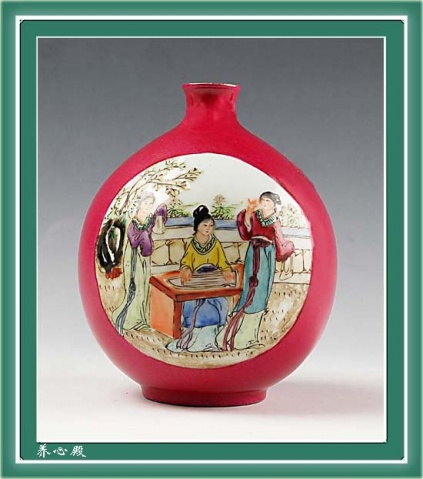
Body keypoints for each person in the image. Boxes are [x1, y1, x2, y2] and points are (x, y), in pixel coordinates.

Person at [217, 191, 294, 350]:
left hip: (267, 256)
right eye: (263, 200)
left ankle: (248, 337)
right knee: (249, 290)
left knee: (261, 292)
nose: (264, 203)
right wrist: (248, 212)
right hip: (253, 253)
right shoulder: (254, 215)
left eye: (268, 201)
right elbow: (246, 233)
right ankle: (232, 336)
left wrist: (289, 247)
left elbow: (280, 242)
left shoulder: (275, 221)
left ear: (274, 204)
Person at [166, 205, 235, 352]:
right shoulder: (192, 245)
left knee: (220, 303)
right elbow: (186, 262)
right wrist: (186, 269)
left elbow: (222, 262)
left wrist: (226, 270)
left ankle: (212, 340)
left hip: (213, 282)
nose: (208, 228)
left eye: (211, 225)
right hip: (196, 283)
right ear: (197, 226)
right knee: (193, 306)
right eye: (205, 225)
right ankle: (194, 340)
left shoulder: (215, 243)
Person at [113, 191, 167, 336]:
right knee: (135, 285)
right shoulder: (133, 221)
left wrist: (160, 216)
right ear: (139, 204)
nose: (148, 206)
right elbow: (133, 240)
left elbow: (159, 231)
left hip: (144, 255)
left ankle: (142, 319)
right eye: (145, 203)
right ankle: (131, 319)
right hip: (133, 254)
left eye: (151, 204)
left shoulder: (150, 218)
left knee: (144, 284)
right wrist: (143, 237)